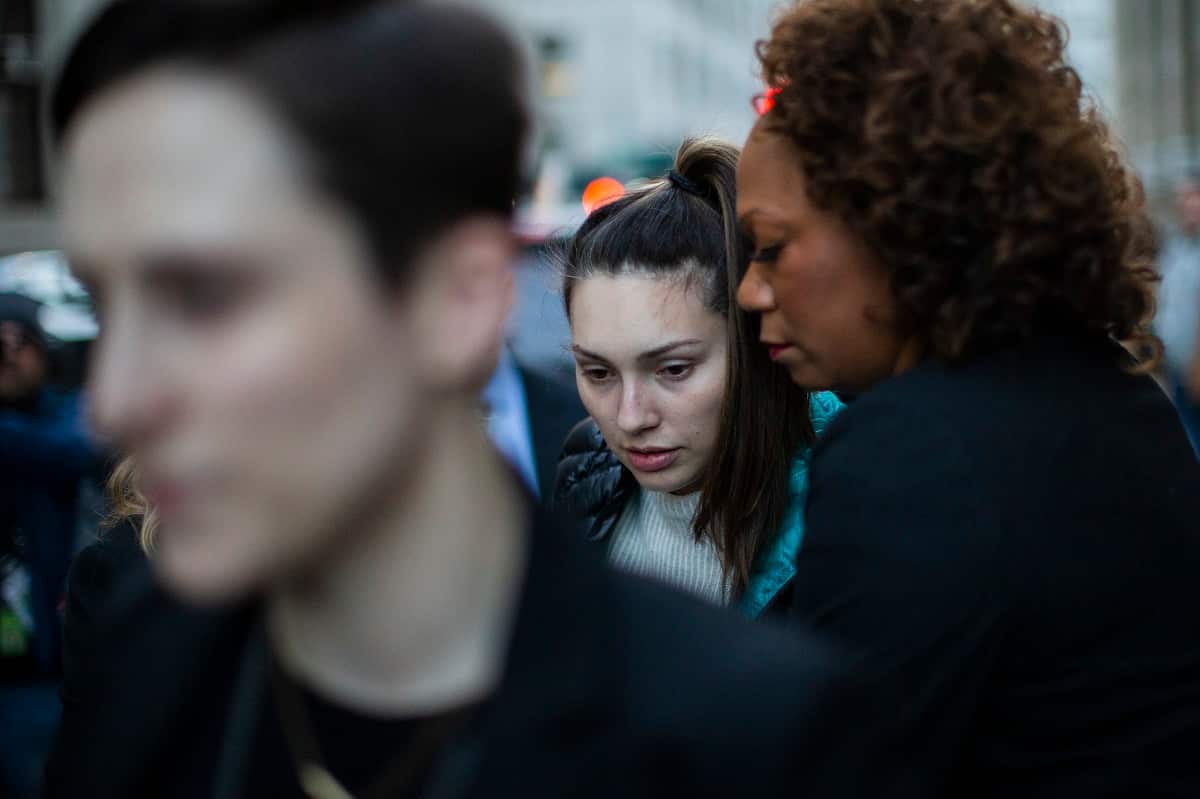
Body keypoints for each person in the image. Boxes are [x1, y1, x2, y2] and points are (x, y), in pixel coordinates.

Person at [44, 2, 908, 797]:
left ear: (457, 297)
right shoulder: (142, 665)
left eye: (205, 299)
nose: (112, 401)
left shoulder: (750, 729)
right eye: (103, 303)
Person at [735, 0, 1200, 795]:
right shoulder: (1117, 395)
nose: (750, 289)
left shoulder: (911, 452)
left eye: (772, 247)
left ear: (898, 222)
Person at [555, 138, 842, 616]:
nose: (630, 418)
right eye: (598, 372)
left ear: (755, 347)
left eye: (673, 369)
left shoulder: (850, 493)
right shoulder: (587, 468)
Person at [0, 292, 99, 798]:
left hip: (42, 666)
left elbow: (73, 450)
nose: (8, 354)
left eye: (19, 341)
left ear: (44, 350)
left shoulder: (70, 414)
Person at [1154, 173, 1200, 456]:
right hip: (1176, 367)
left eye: (1193, 197)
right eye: (1183, 198)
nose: (1187, 204)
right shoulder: (1177, 247)